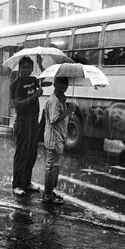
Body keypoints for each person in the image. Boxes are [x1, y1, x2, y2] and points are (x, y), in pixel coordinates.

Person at [10, 56, 44, 196]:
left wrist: (41, 65)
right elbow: (18, 104)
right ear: (19, 68)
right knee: (21, 154)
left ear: (32, 69)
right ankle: (17, 184)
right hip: (22, 121)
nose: (26, 70)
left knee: (31, 153)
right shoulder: (16, 84)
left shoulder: (34, 81)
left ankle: (27, 182)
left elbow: (45, 79)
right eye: (23, 67)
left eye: (28, 67)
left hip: (33, 121)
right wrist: (35, 96)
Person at [42, 76, 75, 204]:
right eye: (60, 83)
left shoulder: (61, 99)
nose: (63, 86)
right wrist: (68, 111)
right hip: (54, 138)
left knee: (55, 167)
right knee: (52, 167)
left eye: (65, 84)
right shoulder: (54, 101)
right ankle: (48, 195)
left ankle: (50, 191)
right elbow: (54, 120)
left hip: (59, 137)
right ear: (55, 84)